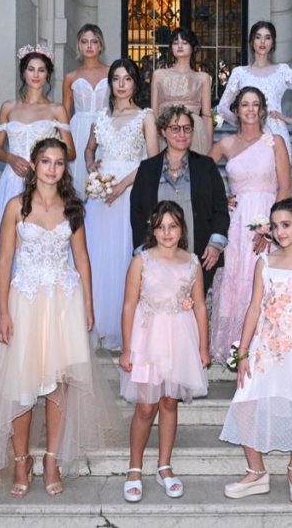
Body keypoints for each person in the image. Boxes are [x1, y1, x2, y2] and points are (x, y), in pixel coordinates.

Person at [0, 137, 121, 498]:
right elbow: (3, 262)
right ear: (34, 165)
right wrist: (2, 311)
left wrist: (89, 306)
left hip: (64, 301)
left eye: (58, 162)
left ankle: (52, 460)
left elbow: (82, 259)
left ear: (64, 168)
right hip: (25, 301)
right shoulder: (16, 207)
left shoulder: (73, 207)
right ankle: (21, 461)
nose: (52, 168)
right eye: (46, 161)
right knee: (21, 384)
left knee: (59, 384)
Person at [219, 199, 292, 503]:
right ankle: (256, 471)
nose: (280, 231)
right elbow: (253, 308)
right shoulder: (265, 261)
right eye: (275, 226)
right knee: (244, 402)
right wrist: (243, 352)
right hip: (266, 343)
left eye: (286, 224)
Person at [0, 46, 75, 351]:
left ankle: (43, 316)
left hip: (46, 180)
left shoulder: (57, 110)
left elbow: (70, 151)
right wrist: (10, 157)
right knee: (8, 247)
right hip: (13, 180)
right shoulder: (9, 107)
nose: (36, 75)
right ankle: (2, 315)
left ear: (48, 75)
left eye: (41, 70)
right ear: (23, 73)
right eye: (31, 69)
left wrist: (46, 159)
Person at [119, 201, 209, 502]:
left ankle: (164, 466)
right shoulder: (142, 261)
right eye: (161, 227)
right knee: (146, 406)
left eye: (172, 226)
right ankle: (134, 468)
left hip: (180, 338)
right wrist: (127, 348)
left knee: (170, 402)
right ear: (153, 230)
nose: (167, 233)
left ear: (182, 229)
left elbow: (199, 306)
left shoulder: (192, 262)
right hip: (147, 339)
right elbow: (129, 305)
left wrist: (203, 346)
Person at [208, 87, 290, 362]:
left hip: (269, 218)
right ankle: (234, 345)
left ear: (263, 109)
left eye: (256, 104)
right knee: (236, 275)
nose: (251, 109)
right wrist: (220, 198)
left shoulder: (275, 142)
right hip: (237, 222)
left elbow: (285, 188)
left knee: (263, 279)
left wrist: (272, 229)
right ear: (237, 110)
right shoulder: (226, 144)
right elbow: (200, 174)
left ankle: (264, 345)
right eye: (245, 104)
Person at [83, 59, 160, 349]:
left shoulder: (145, 117)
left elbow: (153, 162)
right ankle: (97, 322)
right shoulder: (101, 117)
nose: (121, 84)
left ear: (135, 83)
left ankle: (124, 325)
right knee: (98, 253)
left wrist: (123, 185)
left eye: (127, 78)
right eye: (116, 78)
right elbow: (89, 149)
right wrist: (92, 167)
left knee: (123, 253)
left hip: (130, 191)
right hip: (101, 195)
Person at [129, 105, 229, 291]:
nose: (182, 134)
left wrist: (216, 244)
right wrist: (142, 250)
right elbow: (137, 211)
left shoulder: (206, 166)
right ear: (163, 131)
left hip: (200, 255)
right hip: (157, 257)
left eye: (187, 128)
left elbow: (220, 207)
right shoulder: (147, 169)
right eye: (175, 128)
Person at [216, 20, 292, 149]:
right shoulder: (239, 73)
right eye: (258, 37)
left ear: (272, 43)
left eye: (267, 38)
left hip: (277, 136)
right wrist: (241, 121)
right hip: (249, 137)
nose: (262, 42)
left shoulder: (283, 71)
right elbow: (222, 107)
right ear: (252, 42)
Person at [62, 24, 109, 197]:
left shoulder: (112, 72)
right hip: (78, 130)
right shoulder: (71, 77)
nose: (89, 46)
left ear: (100, 45)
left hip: (105, 128)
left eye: (94, 41)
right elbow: (65, 113)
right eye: (84, 41)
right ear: (79, 46)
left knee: (104, 178)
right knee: (78, 180)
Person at [151, 27, 214, 154]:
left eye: (184, 42)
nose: (180, 46)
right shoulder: (159, 75)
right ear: (171, 48)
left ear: (192, 47)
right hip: (166, 130)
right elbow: (154, 114)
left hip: (195, 131)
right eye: (175, 43)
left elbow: (207, 116)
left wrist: (209, 149)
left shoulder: (203, 78)